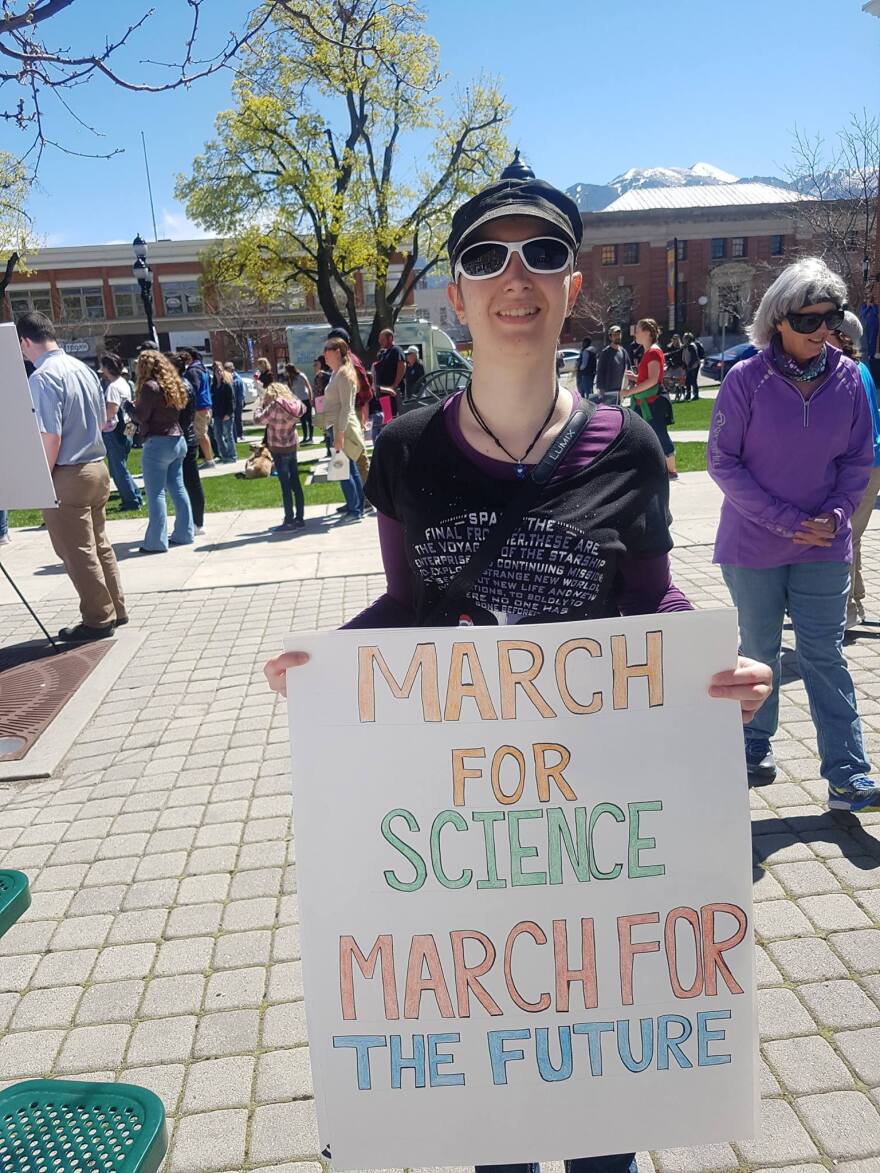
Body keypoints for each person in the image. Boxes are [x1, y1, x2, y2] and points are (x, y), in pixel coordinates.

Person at [264, 168, 771, 1173]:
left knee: (598, 1121)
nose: (515, 276)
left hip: (594, 823)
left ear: (571, 286)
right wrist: (324, 665)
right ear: (454, 296)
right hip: (471, 833)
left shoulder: (626, 445)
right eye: (485, 256)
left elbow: (649, 601)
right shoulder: (406, 452)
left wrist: (713, 658)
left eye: (542, 254)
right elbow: (408, 608)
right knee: (495, 1112)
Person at [708, 257, 879, 812]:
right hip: (755, 544)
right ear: (778, 319)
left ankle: (848, 776)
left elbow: (857, 459)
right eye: (808, 320)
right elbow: (721, 462)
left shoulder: (849, 379)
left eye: (832, 318)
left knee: (823, 653)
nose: (821, 331)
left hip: (825, 543)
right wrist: (785, 519)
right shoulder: (745, 380)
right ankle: (753, 748)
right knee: (758, 651)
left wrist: (833, 517)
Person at [17, 310, 127, 641]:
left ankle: (97, 619)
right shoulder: (82, 368)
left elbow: (50, 435)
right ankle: (116, 609)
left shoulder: (43, 377)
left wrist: (41, 476)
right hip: (96, 466)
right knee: (99, 544)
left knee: (76, 550)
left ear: (25, 341)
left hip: (68, 472)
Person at [828, 311, 880, 629]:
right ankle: (854, 600)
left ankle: (844, 611)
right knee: (850, 538)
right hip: (865, 467)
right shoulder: (857, 369)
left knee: (843, 539)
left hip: (862, 469)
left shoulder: (851, 372)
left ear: (842, 337)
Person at [132, 350, 194, 553]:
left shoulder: (150, 386)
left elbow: (141, 415)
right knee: (178, 488)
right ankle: (185, 533)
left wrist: (128, 407)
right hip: (178, 439)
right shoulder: (173, 384)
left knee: (156, 493)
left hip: (158, 442)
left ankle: (156, 542)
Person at [623, 319, 678, 479]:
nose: (635, 333)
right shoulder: (649, 352)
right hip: (645, 402)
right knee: (640, 434)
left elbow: (653, 380)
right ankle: (647, 467)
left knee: (659, 434)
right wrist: (636, 377)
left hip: (654, 402)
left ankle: (671, 471)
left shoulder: (653, 352)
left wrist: (629, 391)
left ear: (647, 332)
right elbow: (648, 377)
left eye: (638, 330)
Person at [323, 336, 367, 521]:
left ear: (337, 352)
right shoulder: (336, 373)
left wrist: (339, 433)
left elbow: (347, 407)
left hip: (345, 427)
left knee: (345, 470)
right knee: (347, 469)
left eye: (327, 350)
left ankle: (356, 510)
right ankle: (354, 506)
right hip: (338, 426)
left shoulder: (343, 374)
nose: (324, 354)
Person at [254, 381, 306, 532]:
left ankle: (288, 520)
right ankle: (300, 518)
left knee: (285, 485)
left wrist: (259, 406)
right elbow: (304, 408)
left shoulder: (275, 405)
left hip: (278, 447)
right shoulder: (295, 403)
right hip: (291, 445)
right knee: (295, 482)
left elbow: (259, 420)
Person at [99, 352, 142, 511]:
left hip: (116, 429)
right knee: (122, 464)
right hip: (129, 426)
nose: (101, 370)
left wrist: (100, 423)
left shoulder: (112, 387)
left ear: (107, 368)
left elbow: (112, 410)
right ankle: (135, 494)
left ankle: (131, 500)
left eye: (103, 366)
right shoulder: (124, 383)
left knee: (117, 468)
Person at [169, 351, 206, 537]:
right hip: (187, 437)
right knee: (190, 482)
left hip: (183, 436)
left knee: (187, 483)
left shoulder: (179, 386)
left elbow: (178, 415)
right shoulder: (185, 384)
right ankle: (196, 522)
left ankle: (195, 523)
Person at [181, 348, 214, 467]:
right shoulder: (202, 368)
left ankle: (209, 460)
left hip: (199, 405)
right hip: (205, 404)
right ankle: (208, 458)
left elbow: (193, 388)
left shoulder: (193, 371)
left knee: (200, 433)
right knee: (202, 432)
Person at [372, 327, 405, 422]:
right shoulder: (384, 353)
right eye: (379, 339)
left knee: (393, 417)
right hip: (383, 392)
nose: (380, 342)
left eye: (382, 339)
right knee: (387, 418)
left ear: (390, 338)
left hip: (392, 392)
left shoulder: (396, 350)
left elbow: (402, 365)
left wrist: (394, 384)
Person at [594, 325, 631, 405]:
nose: (618, 337)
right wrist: (601, 389)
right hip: (608, 390)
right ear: (610, 337)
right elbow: (600, 372)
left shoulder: (623, 352)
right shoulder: (605, 353)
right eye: (615, 335)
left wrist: (629, 385)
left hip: (621, 390)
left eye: (619, 334)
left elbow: (629, 369)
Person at [212, 365, 237, 462]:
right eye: (217, 371)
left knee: (228, 435)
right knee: (217, 435)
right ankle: (224, 455)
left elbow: (232, 401)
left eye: (220, 371)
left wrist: (228, 414)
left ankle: (232, 456)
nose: (219, 373)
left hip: (227, 414)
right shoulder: (213, 386)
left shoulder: (227, 385)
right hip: (217, 415)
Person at [285, 362, 314, 444]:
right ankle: (305, 437)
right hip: (298, 401)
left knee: (309, 419)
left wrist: (311, 398)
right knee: (303, 419)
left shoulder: (301, 375)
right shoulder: (291, 378)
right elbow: (291, 390)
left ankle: (311, 437)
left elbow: (308, 386)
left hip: (305, 399)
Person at [226, 362, 246, 440]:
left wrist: (241, 401)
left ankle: (240, 434)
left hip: (238, 401)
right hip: (230, 402)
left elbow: (241, 391)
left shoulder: (237, 378)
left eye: (228, 368)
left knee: (238, 418)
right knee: (231, 419)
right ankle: (233, 435)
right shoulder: (226, 377)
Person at [681, 332, 704, 401]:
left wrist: (689, 366)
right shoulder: (686, 346)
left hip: (693, 366)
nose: (683, 339)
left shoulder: (691, 346)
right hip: (689, 366)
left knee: (693, 380)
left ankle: (695, 395)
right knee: (687, 381)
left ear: (688, 339)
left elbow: (694, 357)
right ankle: (688, 395)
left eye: (685, 338)